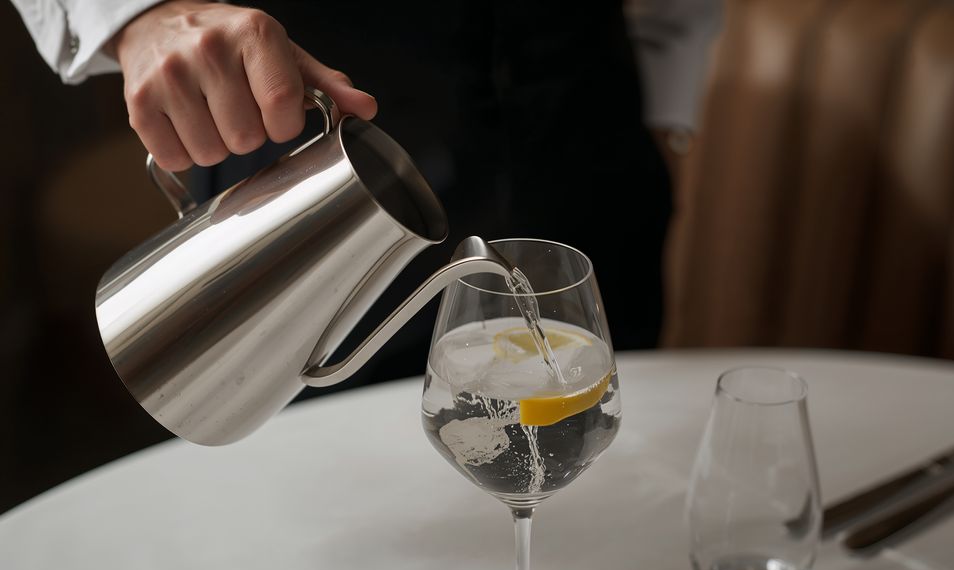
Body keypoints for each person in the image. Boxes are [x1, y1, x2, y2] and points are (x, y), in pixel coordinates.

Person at [12, 0, 718, 385]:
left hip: (590, 155)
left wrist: (667, 94)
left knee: (599, 509)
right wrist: (136, 16)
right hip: (309, 192)